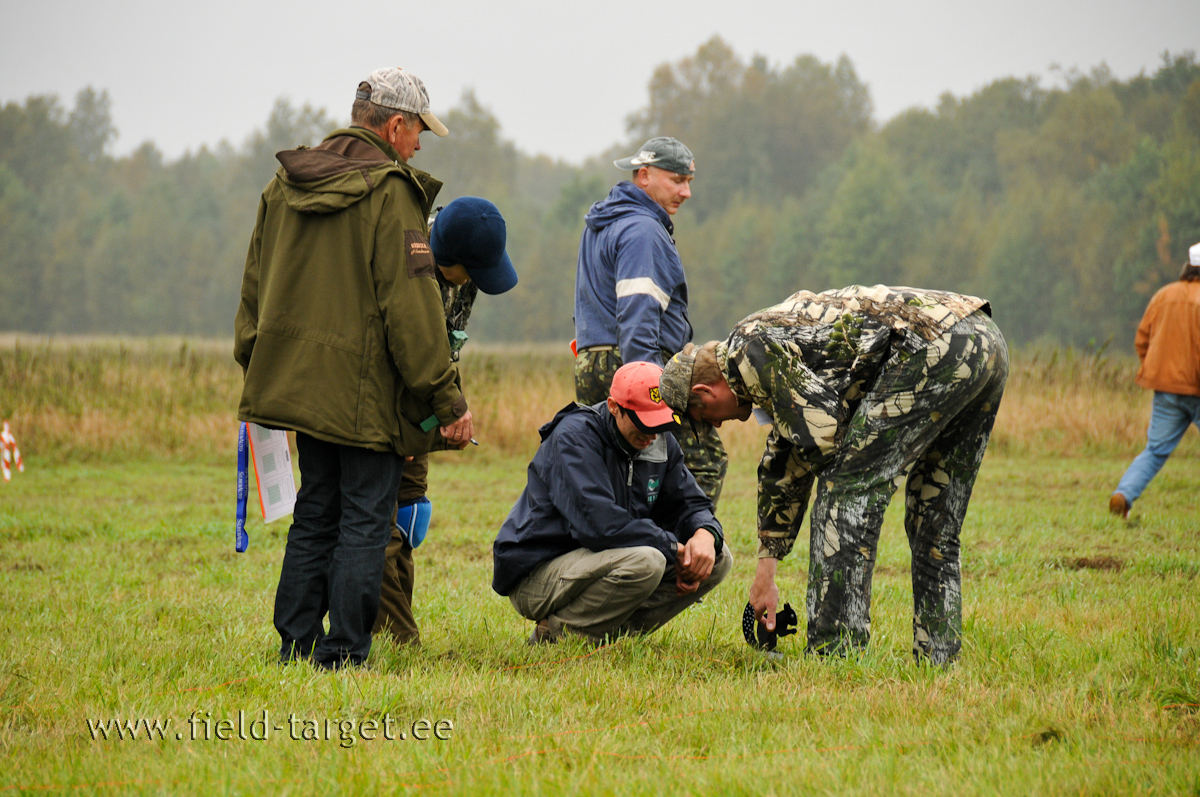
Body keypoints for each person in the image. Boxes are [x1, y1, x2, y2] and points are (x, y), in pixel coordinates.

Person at [234, 67, 473, 670]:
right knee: (366, 517)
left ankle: (295, 644)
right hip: (365, 395)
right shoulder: (392, 194)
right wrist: (448, 399)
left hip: (298, 388)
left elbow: (254, 290)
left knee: (316, 509)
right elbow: (413, 312)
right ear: (395, 126)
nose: (419, 144)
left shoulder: (283, 185)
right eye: (419, 131)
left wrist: (259, 365)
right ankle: (343, 652)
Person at [659, 285, 1009, 666]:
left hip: (935, 345)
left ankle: (835, 654)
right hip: (982, 339)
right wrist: (766, 572)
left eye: (705, 421)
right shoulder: (760, 347)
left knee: (844, 490)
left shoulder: (748, 347)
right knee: (935, 517)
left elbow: (822, 435)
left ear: (704, 392)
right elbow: (788, 456)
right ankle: (939, 659)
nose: (718, 425)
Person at [492, 361, 732, 645]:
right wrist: (672, 547)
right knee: (648, 560)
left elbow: (691, 503)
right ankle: (557, 637)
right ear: (614, 406)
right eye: (643, 422)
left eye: (659, 421)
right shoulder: (574, 437)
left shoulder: (661, 441)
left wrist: (705, 533)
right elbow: (600, 526)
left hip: (603, 562)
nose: (652, 434)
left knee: (716, 557)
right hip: (538, 572)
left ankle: (607, 637)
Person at [373, 196, 518, 647]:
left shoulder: (461, 266)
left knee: (410, 516)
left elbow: (443, 345)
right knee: (381, 523)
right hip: (384, 409)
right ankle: (391, 637)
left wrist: (443, 406)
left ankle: (394, 629)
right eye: (470, 271)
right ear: (443, 256)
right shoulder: (407, 262)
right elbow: (405, 349)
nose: (474, 281)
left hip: (427, 403)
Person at [573, 137, 728, 507]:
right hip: (636, 361)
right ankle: (685, 551)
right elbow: (638, 314)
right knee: (702, 460)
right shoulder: (643, 230)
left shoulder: (602, 223)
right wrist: (647, 382)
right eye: (676, 180)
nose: (686, 192)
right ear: (644, 175)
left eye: (688, 181)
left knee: (613, 467)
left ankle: (619, 547)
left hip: (591, 363)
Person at [1110, 242, 1200, 519]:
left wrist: (1158, 370)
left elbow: (1142, 340)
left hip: (1165, 390)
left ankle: (1123, 495)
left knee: (1155, 450)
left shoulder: (1163, 295)